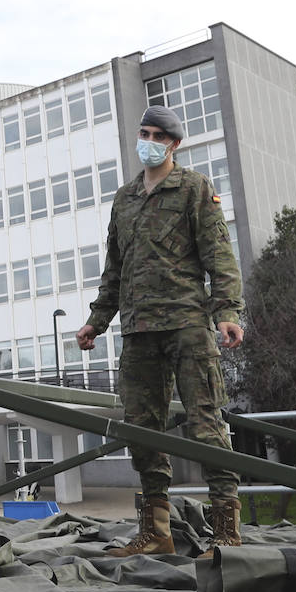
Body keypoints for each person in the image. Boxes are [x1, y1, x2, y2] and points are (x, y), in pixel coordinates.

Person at [76, 104, 244, 559]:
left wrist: (226, 311)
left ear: (174, 143)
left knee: (207, 424)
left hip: (188, 324)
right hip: (138, 331)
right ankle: (156, 531)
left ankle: (226, 534)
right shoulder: (124, 198)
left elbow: (219, 256)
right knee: (142, 430)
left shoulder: (194, 189)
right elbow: (115, 267)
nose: (146, 141)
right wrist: (97, 320)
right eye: (143, 132)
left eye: (156, 134)